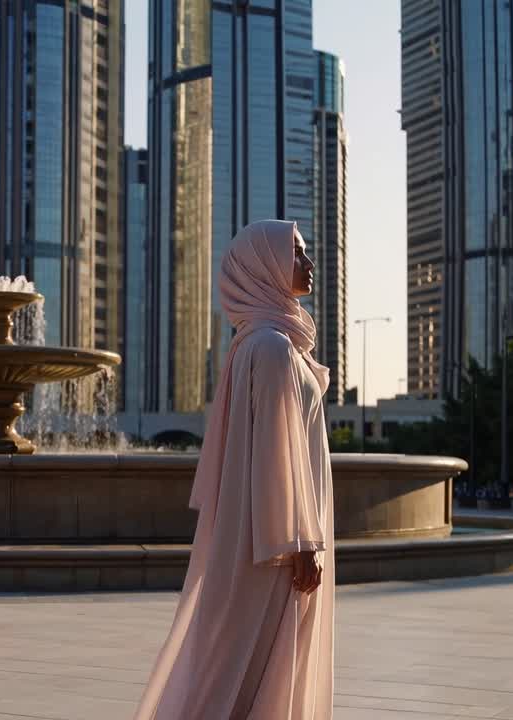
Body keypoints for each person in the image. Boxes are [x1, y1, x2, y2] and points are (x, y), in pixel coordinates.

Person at [131, 220, 334, 720]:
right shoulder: (271, 348)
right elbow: (274, 451)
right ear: (264, 265)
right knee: (251, 661)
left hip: (266, 536)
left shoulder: (263, 342)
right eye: (296, 253)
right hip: (276, 546)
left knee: (247, 658)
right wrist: (300, 542)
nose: (308, 263)